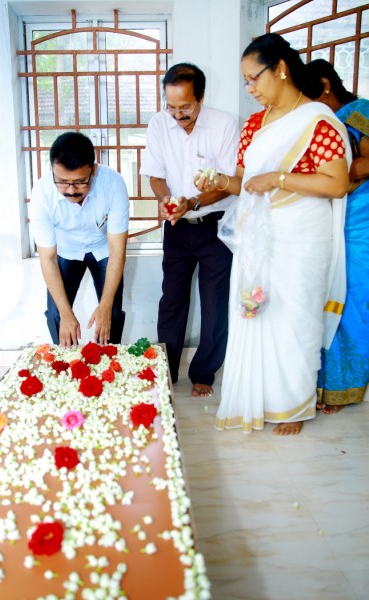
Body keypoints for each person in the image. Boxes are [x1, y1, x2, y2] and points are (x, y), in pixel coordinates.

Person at [195, 34, 351, 434]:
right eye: (246, 81)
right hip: (258, 237)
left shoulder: (318, 121)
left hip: (301, 235)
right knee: (255, 313)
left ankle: (293, 406)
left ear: (280, 68)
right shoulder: (254, 125)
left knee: (294, 316)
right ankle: (259, 398)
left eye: (254, 78)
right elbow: (246, 183)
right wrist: (216, 180)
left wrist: (280, 178)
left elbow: (335, 184)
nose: (250, 89)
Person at [140, 63, 239, 397]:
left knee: (213, 304)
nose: (177, 114)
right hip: (177, 228)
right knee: (172, 300)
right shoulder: (158, 123)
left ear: (201, 98)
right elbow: (155, 174)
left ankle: (203, 374)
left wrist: (193, 202)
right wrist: (166, 199)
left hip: (216, 228)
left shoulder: (225, 124)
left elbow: (229, 183)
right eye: (171, 107)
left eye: (184, 107)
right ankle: (165, 373)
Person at [305, 59, 369, 414]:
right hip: (329, 215)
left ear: (325, 85)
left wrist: (330, 173)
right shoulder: (317, 122)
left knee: (354, 301)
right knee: (325, 296)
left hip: (359, 218)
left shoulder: (359, 112)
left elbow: (367, 163)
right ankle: (322, 383)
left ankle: (347, 386)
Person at [29, 132, 129, 348]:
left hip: (103, 249)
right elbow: (47, 258)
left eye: (80, 182)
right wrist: (67, 314)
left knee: (110, 312)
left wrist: (104, 305)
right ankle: (65, 368)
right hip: (66, 250)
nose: (71, 191)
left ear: (93, 170)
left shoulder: (113, 184)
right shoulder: (41, 194)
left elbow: (117, 250)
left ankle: (110, 366)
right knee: (57, 315)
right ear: (53, 171)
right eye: (63, 182)